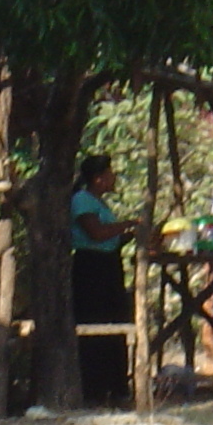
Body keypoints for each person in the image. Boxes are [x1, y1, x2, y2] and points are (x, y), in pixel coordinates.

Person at [72, 156, 132, 403]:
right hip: (91, 268)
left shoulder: (100, 203)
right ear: (98, 178)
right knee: (96, 322)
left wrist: (127, 234)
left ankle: (116, 385)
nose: (113, 178)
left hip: (108, 265)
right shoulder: (82, 201)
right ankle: (95, 388)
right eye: (109, 174)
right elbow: (96, 233)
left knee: (114, 320)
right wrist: (126, 224)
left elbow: (109, 237)